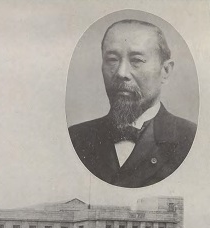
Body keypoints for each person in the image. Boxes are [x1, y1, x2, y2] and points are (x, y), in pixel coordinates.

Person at [69, 19, 196, 188]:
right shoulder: (77, 137)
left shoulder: (191, 138)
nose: (122, 73)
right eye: (112, 59)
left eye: (136, 60)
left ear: (165, 71)